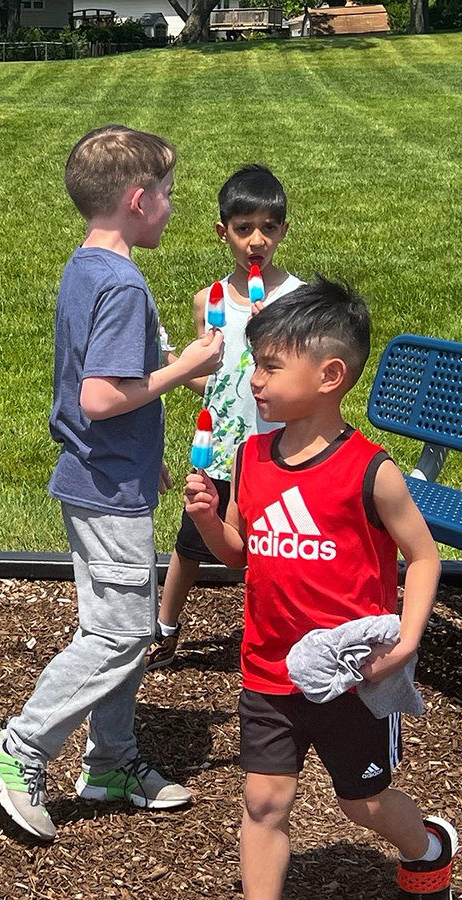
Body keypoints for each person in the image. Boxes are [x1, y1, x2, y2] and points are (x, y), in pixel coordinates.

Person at [0, 125, 224, 841]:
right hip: (105, 484)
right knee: (120, 632)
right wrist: (191, 364)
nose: (173, 207)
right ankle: (19, 746)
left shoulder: (83, 267)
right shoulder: (123, 285)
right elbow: (102, 397)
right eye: (168, 194)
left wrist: (150, 454)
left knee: (116, 626)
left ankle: (110, 762)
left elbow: (99, 391)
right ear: (137, 201)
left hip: (106, 474)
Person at [183, 277, 458, 899]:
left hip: (350, 677)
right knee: (263, 802)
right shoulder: (250, 458)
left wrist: (407, 641)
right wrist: (207, 520)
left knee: (362, 804)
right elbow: (243, 557)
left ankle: (428, 846)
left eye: (271, 366)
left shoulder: (370, 470)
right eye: (255, 363)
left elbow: (422, 558)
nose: (255, 380)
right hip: (267, 668)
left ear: (330, 375)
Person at [148, 164, 304, 670]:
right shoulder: (207, 301)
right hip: (218, 443)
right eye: (243, 229)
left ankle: (281, 635)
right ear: (223, 233)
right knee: (192, 539)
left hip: (277, 445)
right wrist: (175, 365)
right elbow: (211, 378)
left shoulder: (296, 301)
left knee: (279, 541)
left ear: (283, 230)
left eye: (269, 228)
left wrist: (272, 337)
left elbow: (302, 381)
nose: (257, 240)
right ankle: (165, 628)